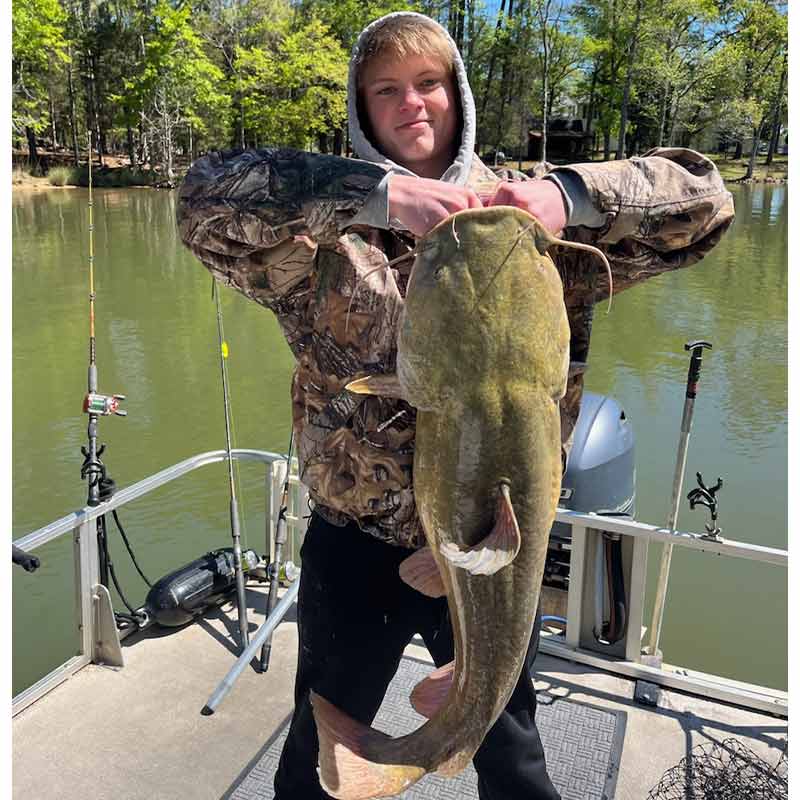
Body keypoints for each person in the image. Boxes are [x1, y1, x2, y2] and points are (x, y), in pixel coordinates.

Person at [177, 12, 734, 798]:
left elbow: (706, 202)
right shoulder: (319, 239)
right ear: (363, 108)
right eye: (387, 90)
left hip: (504, 536)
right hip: (358, 540)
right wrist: (377, 198)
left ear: (458, 93)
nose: (413, 104)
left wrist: (565, 195)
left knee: (512, 750)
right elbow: (200, 199)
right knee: (316, 745)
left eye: (429, 83)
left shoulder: (535, 227)